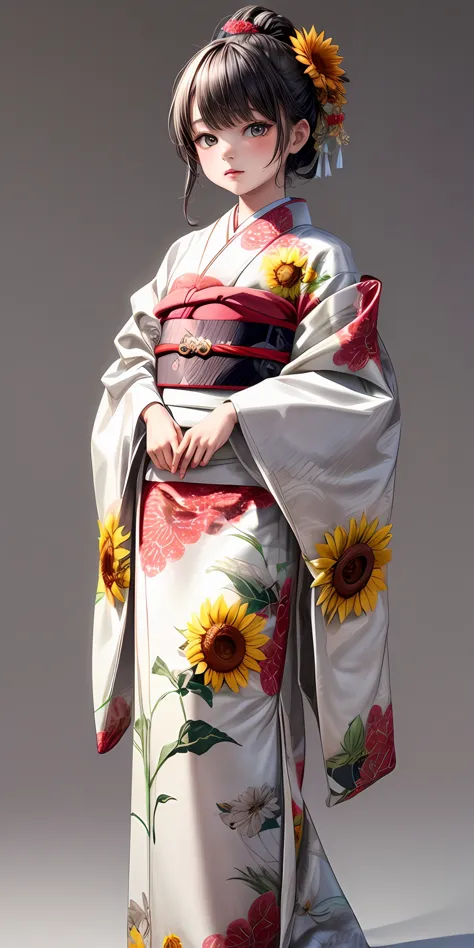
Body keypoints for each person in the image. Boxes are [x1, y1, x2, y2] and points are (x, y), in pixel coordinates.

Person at [90, 6, 401, 946]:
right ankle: (179, 925)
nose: (228, 151)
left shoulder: (319, 261)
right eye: (206, 133)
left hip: (245, 524)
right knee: (168, 730)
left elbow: (354, 393)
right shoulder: (184, 258)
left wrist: (237, 411)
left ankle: (252, 925)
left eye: (252, 127)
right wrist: (149, 413)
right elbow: (130, 358)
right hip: (163, 517)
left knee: (226, 723)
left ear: (298, 132)